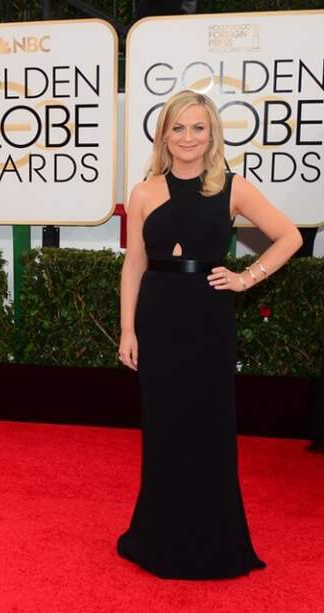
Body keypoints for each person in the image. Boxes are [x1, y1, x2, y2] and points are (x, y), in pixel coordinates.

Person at [116, 90, 302, 578]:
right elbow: (135, 262)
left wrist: (245, 278)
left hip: (208, 321)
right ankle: (160, 538)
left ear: (212, 133)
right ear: (164, 135)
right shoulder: (144, 191)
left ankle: (212, 542)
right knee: (163, 429)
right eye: (178, 128)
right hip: (158, 319)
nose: (188, 138)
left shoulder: (232, 187)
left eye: (198, 127)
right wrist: (127, 328)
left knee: (209, 430)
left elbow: (290, 236)